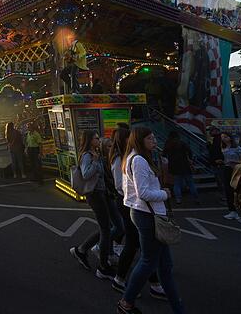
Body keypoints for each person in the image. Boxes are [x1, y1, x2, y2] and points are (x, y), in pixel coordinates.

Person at [117, 127, 184, 314]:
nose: (154, 140)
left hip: (146, 213)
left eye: (154, 136)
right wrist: (164, 193)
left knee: (165, 265)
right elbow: (143, 192)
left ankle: (177, 306)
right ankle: (126, 302)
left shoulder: (136, 157)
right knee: (148, 261)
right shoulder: (138, 160)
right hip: (147, 214)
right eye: (149, 137)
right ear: (139, 140)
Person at [70, 130, 118, 279]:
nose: (99, 140)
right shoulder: (87, 156)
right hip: (95, 195)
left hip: (101, 194)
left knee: (107, 228)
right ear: (90, 140)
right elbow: (86, 174)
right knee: (106, 229)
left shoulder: (95, 154)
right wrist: (96, 162)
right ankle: (103, 265)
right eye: (96, 138)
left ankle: (82, 249)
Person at [163, 131, 199, 205]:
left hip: (174, 166)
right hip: (185, 164)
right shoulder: (182, 143)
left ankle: (178, 199)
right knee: (190, 183)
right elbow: (189, 151)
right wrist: (190, 159)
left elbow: (164, 154)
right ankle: (196, 198)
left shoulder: (168, 144)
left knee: (177, 183)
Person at [221, 133, 241, 219]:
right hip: (226, 169)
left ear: (230, 138)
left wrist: (235, 162)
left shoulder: (237, 148)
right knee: (228, 189)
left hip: (236, 169)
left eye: (225, 137)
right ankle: (232, 210)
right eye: (222, 137)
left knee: (238, 189)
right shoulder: (223, 148)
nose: (224, 139)